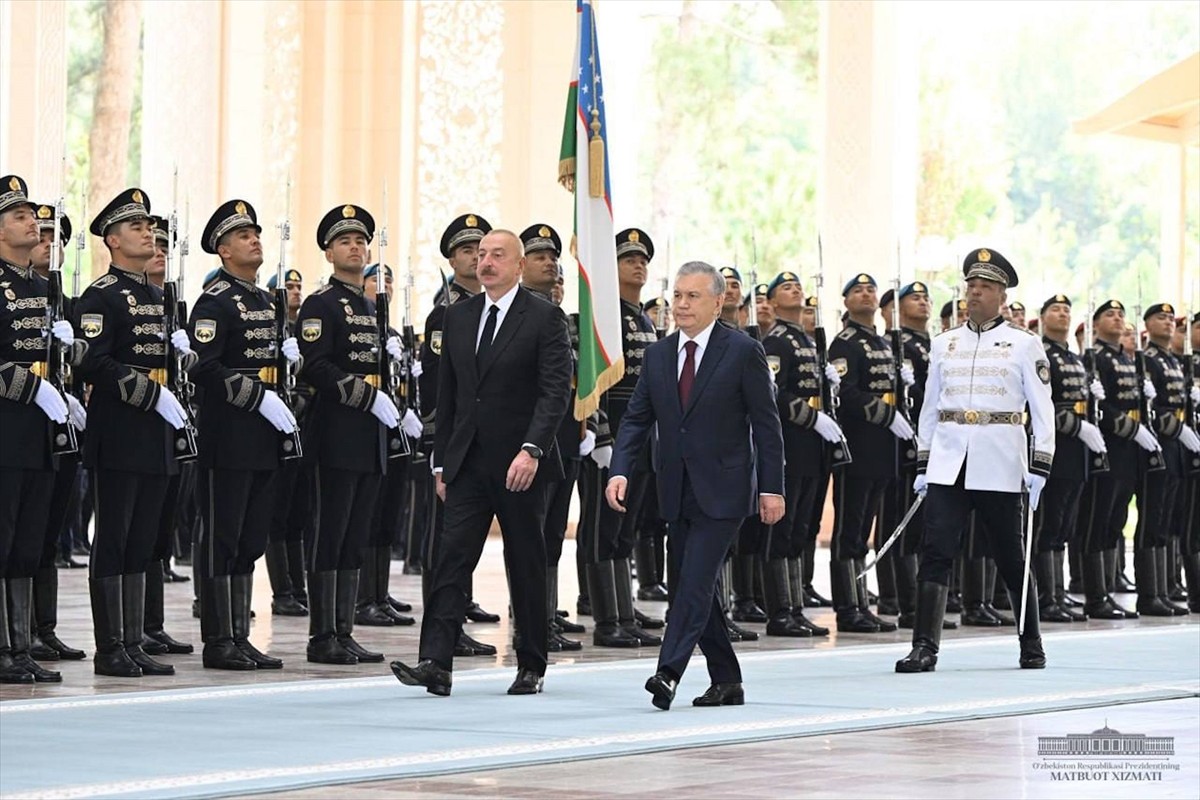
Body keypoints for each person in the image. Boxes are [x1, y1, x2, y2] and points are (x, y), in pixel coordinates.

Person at [391, 229, 572, 697]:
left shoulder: (544, 317)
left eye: (497, 255)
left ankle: (531, 661)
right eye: (481, 255)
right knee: (450, 559)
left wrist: (533, 449)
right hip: (468, 462)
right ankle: (435, 660)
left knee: (525, 561)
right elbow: (449, 394)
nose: (486, 262)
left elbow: (554, 393)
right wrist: (440, 461)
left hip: (519, 463)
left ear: (517, 266)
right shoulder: (459, 316)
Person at [605, 260, 784, 710]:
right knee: (691, 582)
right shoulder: (660, 355)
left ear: (718, 302)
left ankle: (668, 672)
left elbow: (767, 425)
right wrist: (620, 469)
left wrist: (772, 487)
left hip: (724, 491)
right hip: (675, 488)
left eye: (692, 297)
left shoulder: (742, 351)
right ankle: (727, 679)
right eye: (677, 296)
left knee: (694, 581)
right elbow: (637, 419)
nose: (681, 305)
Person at [897, 248, 1054, 673]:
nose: (975, 294)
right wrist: (923, 465)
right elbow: (929, 408)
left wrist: (1040, 463)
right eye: (971, 286)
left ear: (1002, 294)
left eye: (985, 287)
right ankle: (924, 647)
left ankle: (1031, 642)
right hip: (949, 461)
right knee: (936, 551)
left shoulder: (1024, 344)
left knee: (1010, 555)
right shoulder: (944, 343)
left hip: (1000, 460)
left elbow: (1043, 409)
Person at [75, 187, 195, 678]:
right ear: (113, 239)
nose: (149, 233)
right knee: (116, 537)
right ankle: (110, 648)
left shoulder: (159, 294)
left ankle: (132, 640)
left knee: (144, 538)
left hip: (158, 430)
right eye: (137, 227)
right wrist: (149, 392)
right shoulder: (99, 295)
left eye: (149, 226)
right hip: (123, 428)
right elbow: (92, 362)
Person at [187, 199, 301, 670]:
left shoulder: (264, 301)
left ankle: (239, 634)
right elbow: (205, 369)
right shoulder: (215, 302)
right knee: (223, 537)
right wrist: (257, 396)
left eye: (255, 232)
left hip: (263, 439)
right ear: (223, 250)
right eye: (242, 235)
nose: (254, 239)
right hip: (229, 436)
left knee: (251, 538)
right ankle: (218, 640)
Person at [295, 202, 400, 666]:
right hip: (337, 429)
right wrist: (364, 395)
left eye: (361, 241)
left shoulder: (371, 305)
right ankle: (322, 635)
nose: (355, 247)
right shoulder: (321, 304)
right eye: (345, 241)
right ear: (328, 252)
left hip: (370, 432)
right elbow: (315, 366)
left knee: (356, 533)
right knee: (331, 531)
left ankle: (344, 629)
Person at [0, 177, 87, 683]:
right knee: (3, 536)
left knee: (29, 541)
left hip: (41, 434)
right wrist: (32, 389)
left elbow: (54, 359)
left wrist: (68, 357)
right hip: (7, 429)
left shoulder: (41, 285)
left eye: (32, 216)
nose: (33, 223)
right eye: (19, 216)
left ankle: (19, 643)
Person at [418, 213, 501, 657]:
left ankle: (458, 618)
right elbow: (438, 387)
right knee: (445, 543)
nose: (477, 258)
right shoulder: (446, 313)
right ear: (452, 259)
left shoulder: (491, 310)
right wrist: (440, 451)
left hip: (482, 446)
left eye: (483, 250)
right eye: (469, 250)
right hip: (453, 446)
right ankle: (443, 630)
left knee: (464, 542)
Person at [827, 273, 913, 633]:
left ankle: (863, 601)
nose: (865, 294)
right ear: (846, 302)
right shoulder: (845, 342)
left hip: (883, 448)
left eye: (870, 289)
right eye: (857, 290)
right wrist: (886, 414)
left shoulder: (882, 342)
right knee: (849, 528)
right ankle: (848, 607)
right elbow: (845, 392)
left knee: (865, 528)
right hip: (858, 443)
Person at [759, 271, 838, 637]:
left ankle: (794, 607)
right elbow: (773, 392)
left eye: (797, 286)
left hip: (812, 446)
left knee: (801, 530)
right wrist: (812, 417)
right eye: (786, 288)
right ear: (773, 303)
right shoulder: (776, 340)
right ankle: (779, 612)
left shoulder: (806, 339)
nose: (796, 290)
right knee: (783, 529)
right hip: (791, 440)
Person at [518, 223, 582, 652]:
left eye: (553, 256)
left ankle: (547, 616)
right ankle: (531, 622)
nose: (550, 262)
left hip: (566, 435)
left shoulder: (561, 317)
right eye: (539, 256)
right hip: (534, 438)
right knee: (533, 535)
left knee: (554, 532)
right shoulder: (520, 314)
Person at [1034, 295, 1106, 623]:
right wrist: (1077, 426)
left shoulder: (1075, 358)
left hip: (1077, 451)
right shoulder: (1041, 354)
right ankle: (1046, 598)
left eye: (1066, 310)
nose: (1062, 314)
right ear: (1043, 316)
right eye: (1055, 310)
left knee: (1064, 525)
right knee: (1049, 525)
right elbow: (1041, 406)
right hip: (1056, 448)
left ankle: (1058, 593)